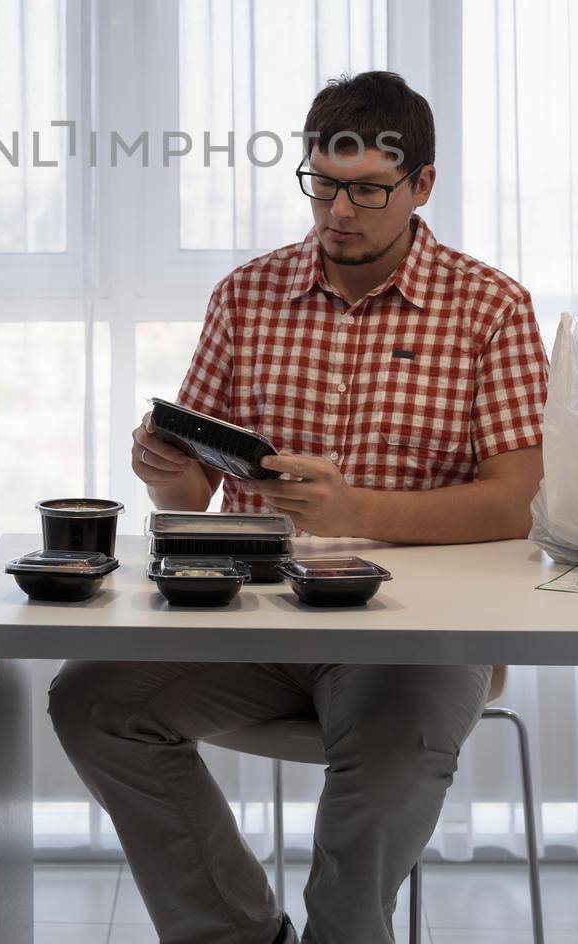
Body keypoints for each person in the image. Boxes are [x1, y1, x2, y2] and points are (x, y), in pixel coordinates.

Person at [48, 71, 548, 944]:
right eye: (322, 183)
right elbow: (190, 494)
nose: (337, 212)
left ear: (422, 185)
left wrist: (356, 507)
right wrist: (162, 465)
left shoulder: (490, 307)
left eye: (366, 190)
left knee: (384, 777)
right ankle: (240, 936)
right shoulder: (247, 295)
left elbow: (519, 503)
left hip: (419, 631)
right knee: (89, 700)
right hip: (260, 615)